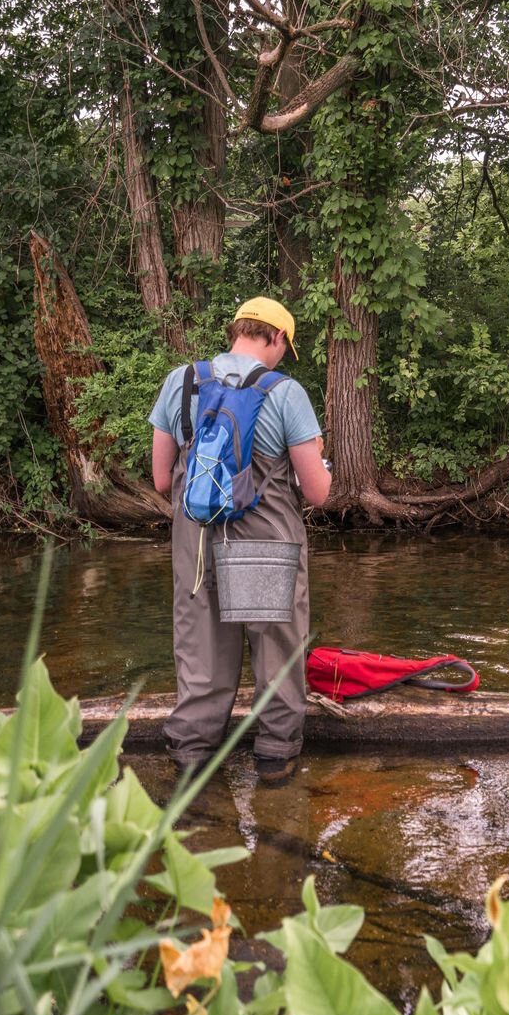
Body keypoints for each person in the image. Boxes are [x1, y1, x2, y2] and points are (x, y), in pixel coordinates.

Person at [148, 297, 332, 785]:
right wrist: (320, 457)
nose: (278, 358)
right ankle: (274, 759)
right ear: (273, 337)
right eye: (282, 347)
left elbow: (162, 481)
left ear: (237, 331)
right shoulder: (285, 393)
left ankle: (192, 759)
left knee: (201, 649)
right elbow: (317, 492)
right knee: (274, 651)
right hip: (265, 541)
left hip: (198, 540)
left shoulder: (180, 381)